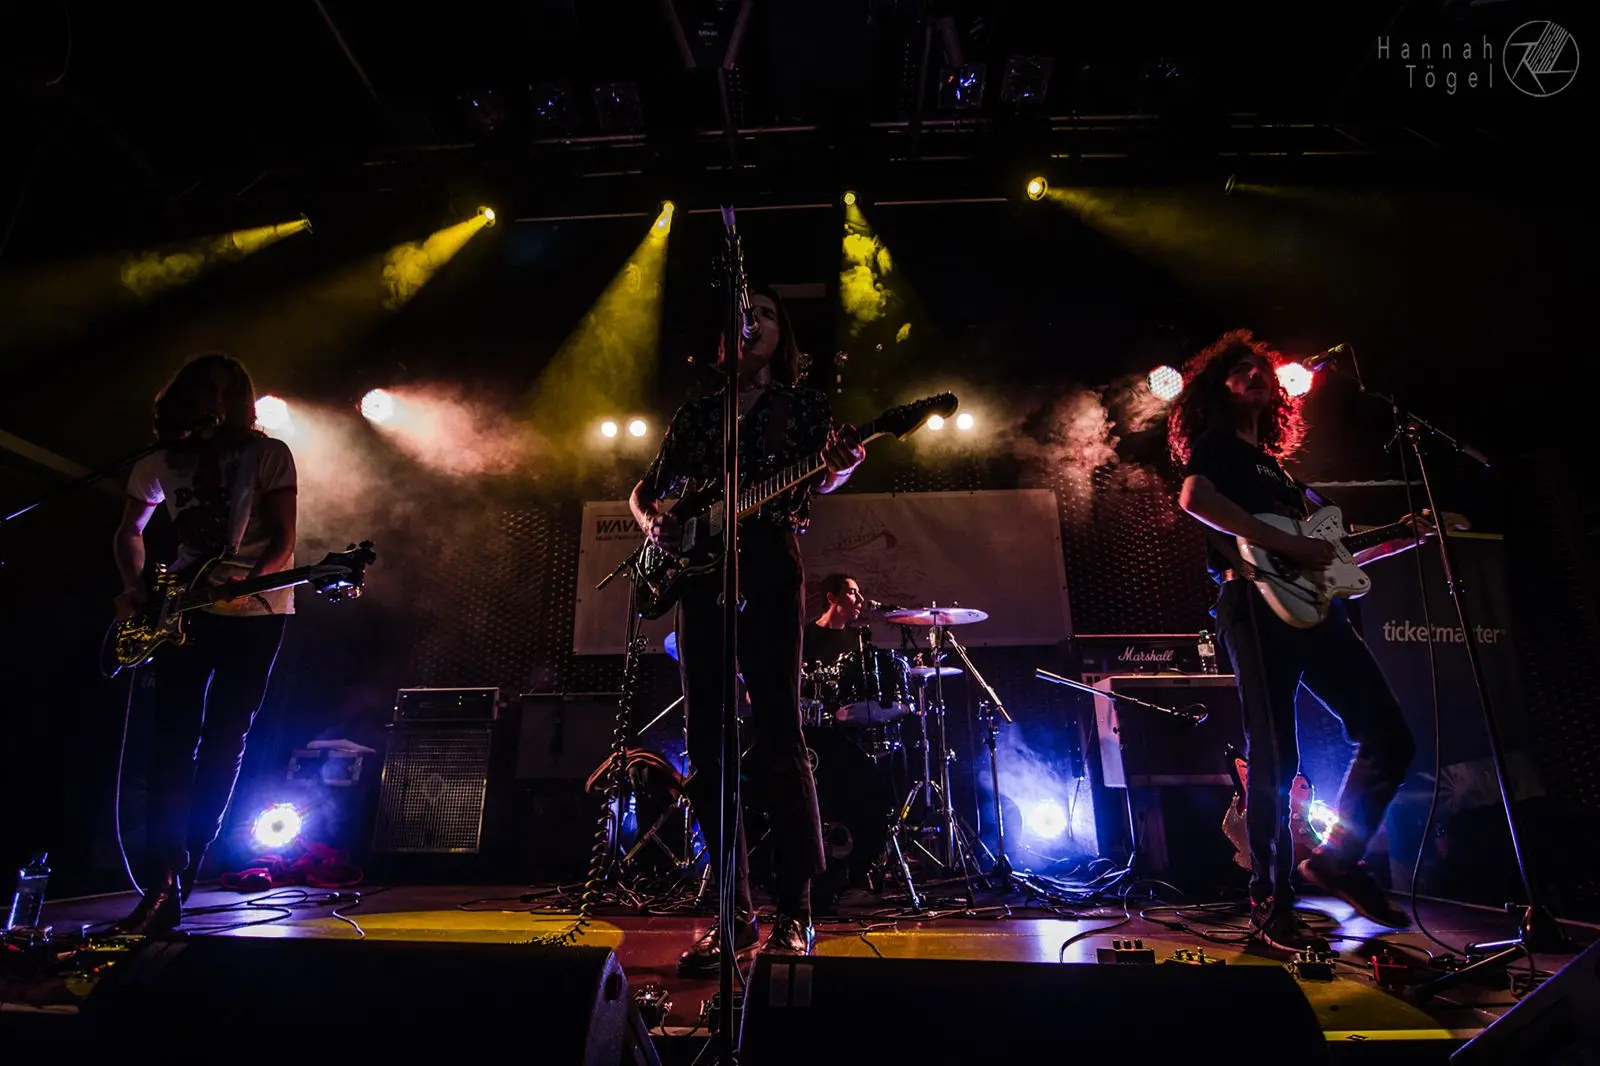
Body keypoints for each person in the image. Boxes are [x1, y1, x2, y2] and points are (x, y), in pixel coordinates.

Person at [629, 285, 866, 973]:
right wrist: (654, 526)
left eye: (765, 313)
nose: (753, 320)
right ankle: (731, 914)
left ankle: (796, 908)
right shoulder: (698, 415)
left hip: (768, 565)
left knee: (781, 736)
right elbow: (645, 491)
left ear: (780, 334)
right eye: (744, 312)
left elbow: (820, 478)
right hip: (699, 578)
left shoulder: (803, 406)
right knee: (707, 743)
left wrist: (841, 467)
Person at [1169, 329, 1421, 951]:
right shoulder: (1217, 446)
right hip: (1253, 603)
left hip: (1314, 608)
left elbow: (1329, 558)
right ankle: (1271, 899)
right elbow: (1195, 497)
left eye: (1262, 367)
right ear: (1217, 387)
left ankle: (1336, 861)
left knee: (1389, 734)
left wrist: (1401, 536)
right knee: (1276, 752)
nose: (1256, 374)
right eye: (1241, 368)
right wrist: (1286, 543)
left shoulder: (1281, 474)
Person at [110, 353, 298, 934]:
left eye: (225, 392)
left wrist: (250, 583)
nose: (215, 403)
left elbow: (285, 540)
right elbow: (129, 530)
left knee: (224, 739)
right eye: (205, 392)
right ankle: (164, 876)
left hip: (256, 613)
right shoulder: (159, 463)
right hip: (182, 609)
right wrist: (133, 588)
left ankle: (187, 860)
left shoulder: (268, 455)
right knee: (171, 741)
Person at [803, 573, 870, 669]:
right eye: (852, 592)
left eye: (859, 593)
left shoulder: (857, 639)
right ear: (831, 597)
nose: (861, 599)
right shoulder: (804, 637)